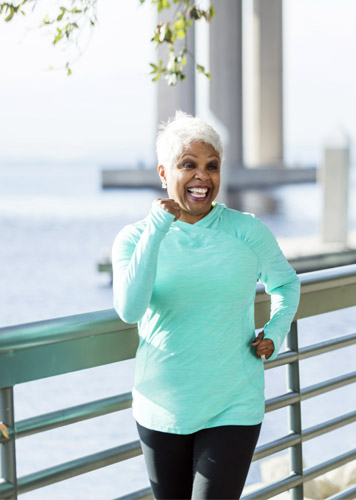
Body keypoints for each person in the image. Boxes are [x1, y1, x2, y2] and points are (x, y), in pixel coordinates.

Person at [112, 111, 300, 499]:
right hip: (161, 406)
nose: (203, 176)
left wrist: (275, 332)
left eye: (211, 166)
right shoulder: (133, 239)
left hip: (233, 404)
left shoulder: (247, 230)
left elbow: (286, 284)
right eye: (189, 165)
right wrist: (157, 228)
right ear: (164, 173)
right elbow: (129, 310)